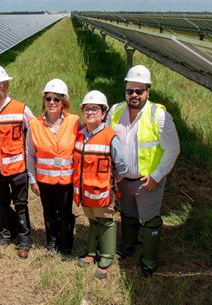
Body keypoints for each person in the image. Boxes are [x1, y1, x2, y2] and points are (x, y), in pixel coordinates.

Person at [106, 65, 180, 277]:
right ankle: (128, 246)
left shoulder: (159, 115)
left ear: (148, 90)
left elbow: (173, 149)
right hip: (122, 179)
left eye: (140, 91)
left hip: (148, 181)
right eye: (131, 91)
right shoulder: (115, 111)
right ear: (125, 91)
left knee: (149, 220)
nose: (135, 95)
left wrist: (156, 176)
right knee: (128, 214)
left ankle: (148, 259)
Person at [0, 64, 34, 259]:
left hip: (18, 169)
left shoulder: (21, 109)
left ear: (6, 85)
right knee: (1, 203)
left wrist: (32, 168)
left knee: (20, 204)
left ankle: (24, 241)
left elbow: (34, 135)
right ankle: (5, 235)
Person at [74, 90, 128, 279]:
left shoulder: (110, 137)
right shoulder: (80, 136)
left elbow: (122, 166)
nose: (90, 112)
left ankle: (106, 258)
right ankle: (90, 253)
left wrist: (111, 183)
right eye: (87, 109)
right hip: (85, 192)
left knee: (106, 222)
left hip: (103, 192)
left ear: (103, 113)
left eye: (95, 109)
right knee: (93, 221)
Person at [26, 79, 79, 259]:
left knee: (65, 213)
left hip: (66, 179)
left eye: (57, 99)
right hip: (45, 180)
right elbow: (30, 154)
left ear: (64, 101)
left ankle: (66, 245)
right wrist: (33, 179)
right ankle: (52, 242)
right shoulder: (35, 124)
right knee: (49, 212)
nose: (52, 103)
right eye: (48, 98)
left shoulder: (74, 122)